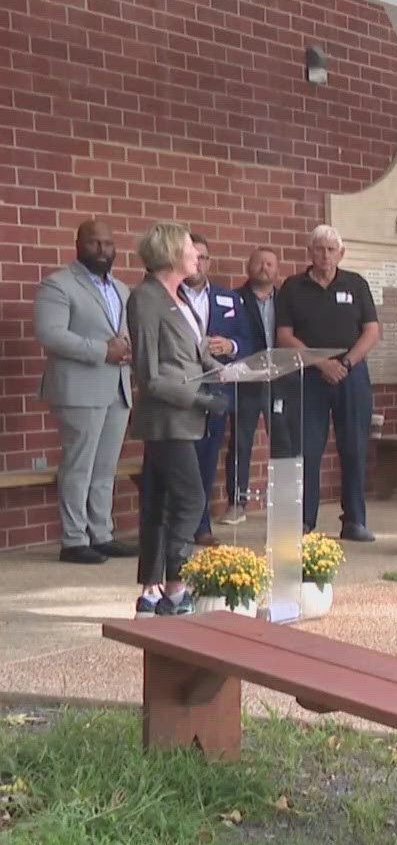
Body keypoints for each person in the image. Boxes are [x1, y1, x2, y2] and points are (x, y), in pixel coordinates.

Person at [125, 223, 229, 617]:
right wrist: (200, 397)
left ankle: (151, 593)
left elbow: (196, 355)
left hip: (187, 418)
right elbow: (150, 375)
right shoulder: (146, 299)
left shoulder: (179, 296)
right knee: (191, 499)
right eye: (190, 249)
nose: (196, 256)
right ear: (170, 252)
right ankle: (176, 586)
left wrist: (230, 372)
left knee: (163, 502)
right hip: (168, 418)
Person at [34, 219, 137, 564]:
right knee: (79, 465)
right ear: (79, 244)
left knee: (105, 467)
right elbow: (51, 333)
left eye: (108, 244)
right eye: (95, 244)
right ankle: (74, 539)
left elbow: (124, 331)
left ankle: (102, 533)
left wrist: (130, 348)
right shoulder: (59, 285)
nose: (103, 250)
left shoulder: (122, 289)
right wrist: (100, 350)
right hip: (79, 388)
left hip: (118, 387)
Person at [276, 225, 380, 541]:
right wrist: (322, 363)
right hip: (309, 376)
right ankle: (305, 521)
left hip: (352, 376)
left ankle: (355, 521)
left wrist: (346, 364)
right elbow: (284, 335)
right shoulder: (292, 287)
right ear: (310, 252)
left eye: (331, 249)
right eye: (319, 249)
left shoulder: (356, 284)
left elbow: (372, 331)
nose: (325, 255)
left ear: (341, 253)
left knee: (354, 447)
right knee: (306, 449)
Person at [180, 234, 243, 545]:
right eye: (194, 256)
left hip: (217, 388)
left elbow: (247, 340)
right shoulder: (170, 295)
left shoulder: (228, 298)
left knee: (208, 459)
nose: (199, 263)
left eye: (204, 257)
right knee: (182, 459)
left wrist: (230, 345)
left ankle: (201, 525)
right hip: (181, 388)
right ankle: (178, 526)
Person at [222, 248, 281, 526]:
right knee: (241, 443)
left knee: (283, 442)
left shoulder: (286, 301)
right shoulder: (235, 300)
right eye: (258, 262)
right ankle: (237, 503)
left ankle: (284, 502)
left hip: (281, 381)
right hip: (247, 380)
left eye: (270, 264)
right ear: (248, 266)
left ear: (276, 269)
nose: (264, 268)